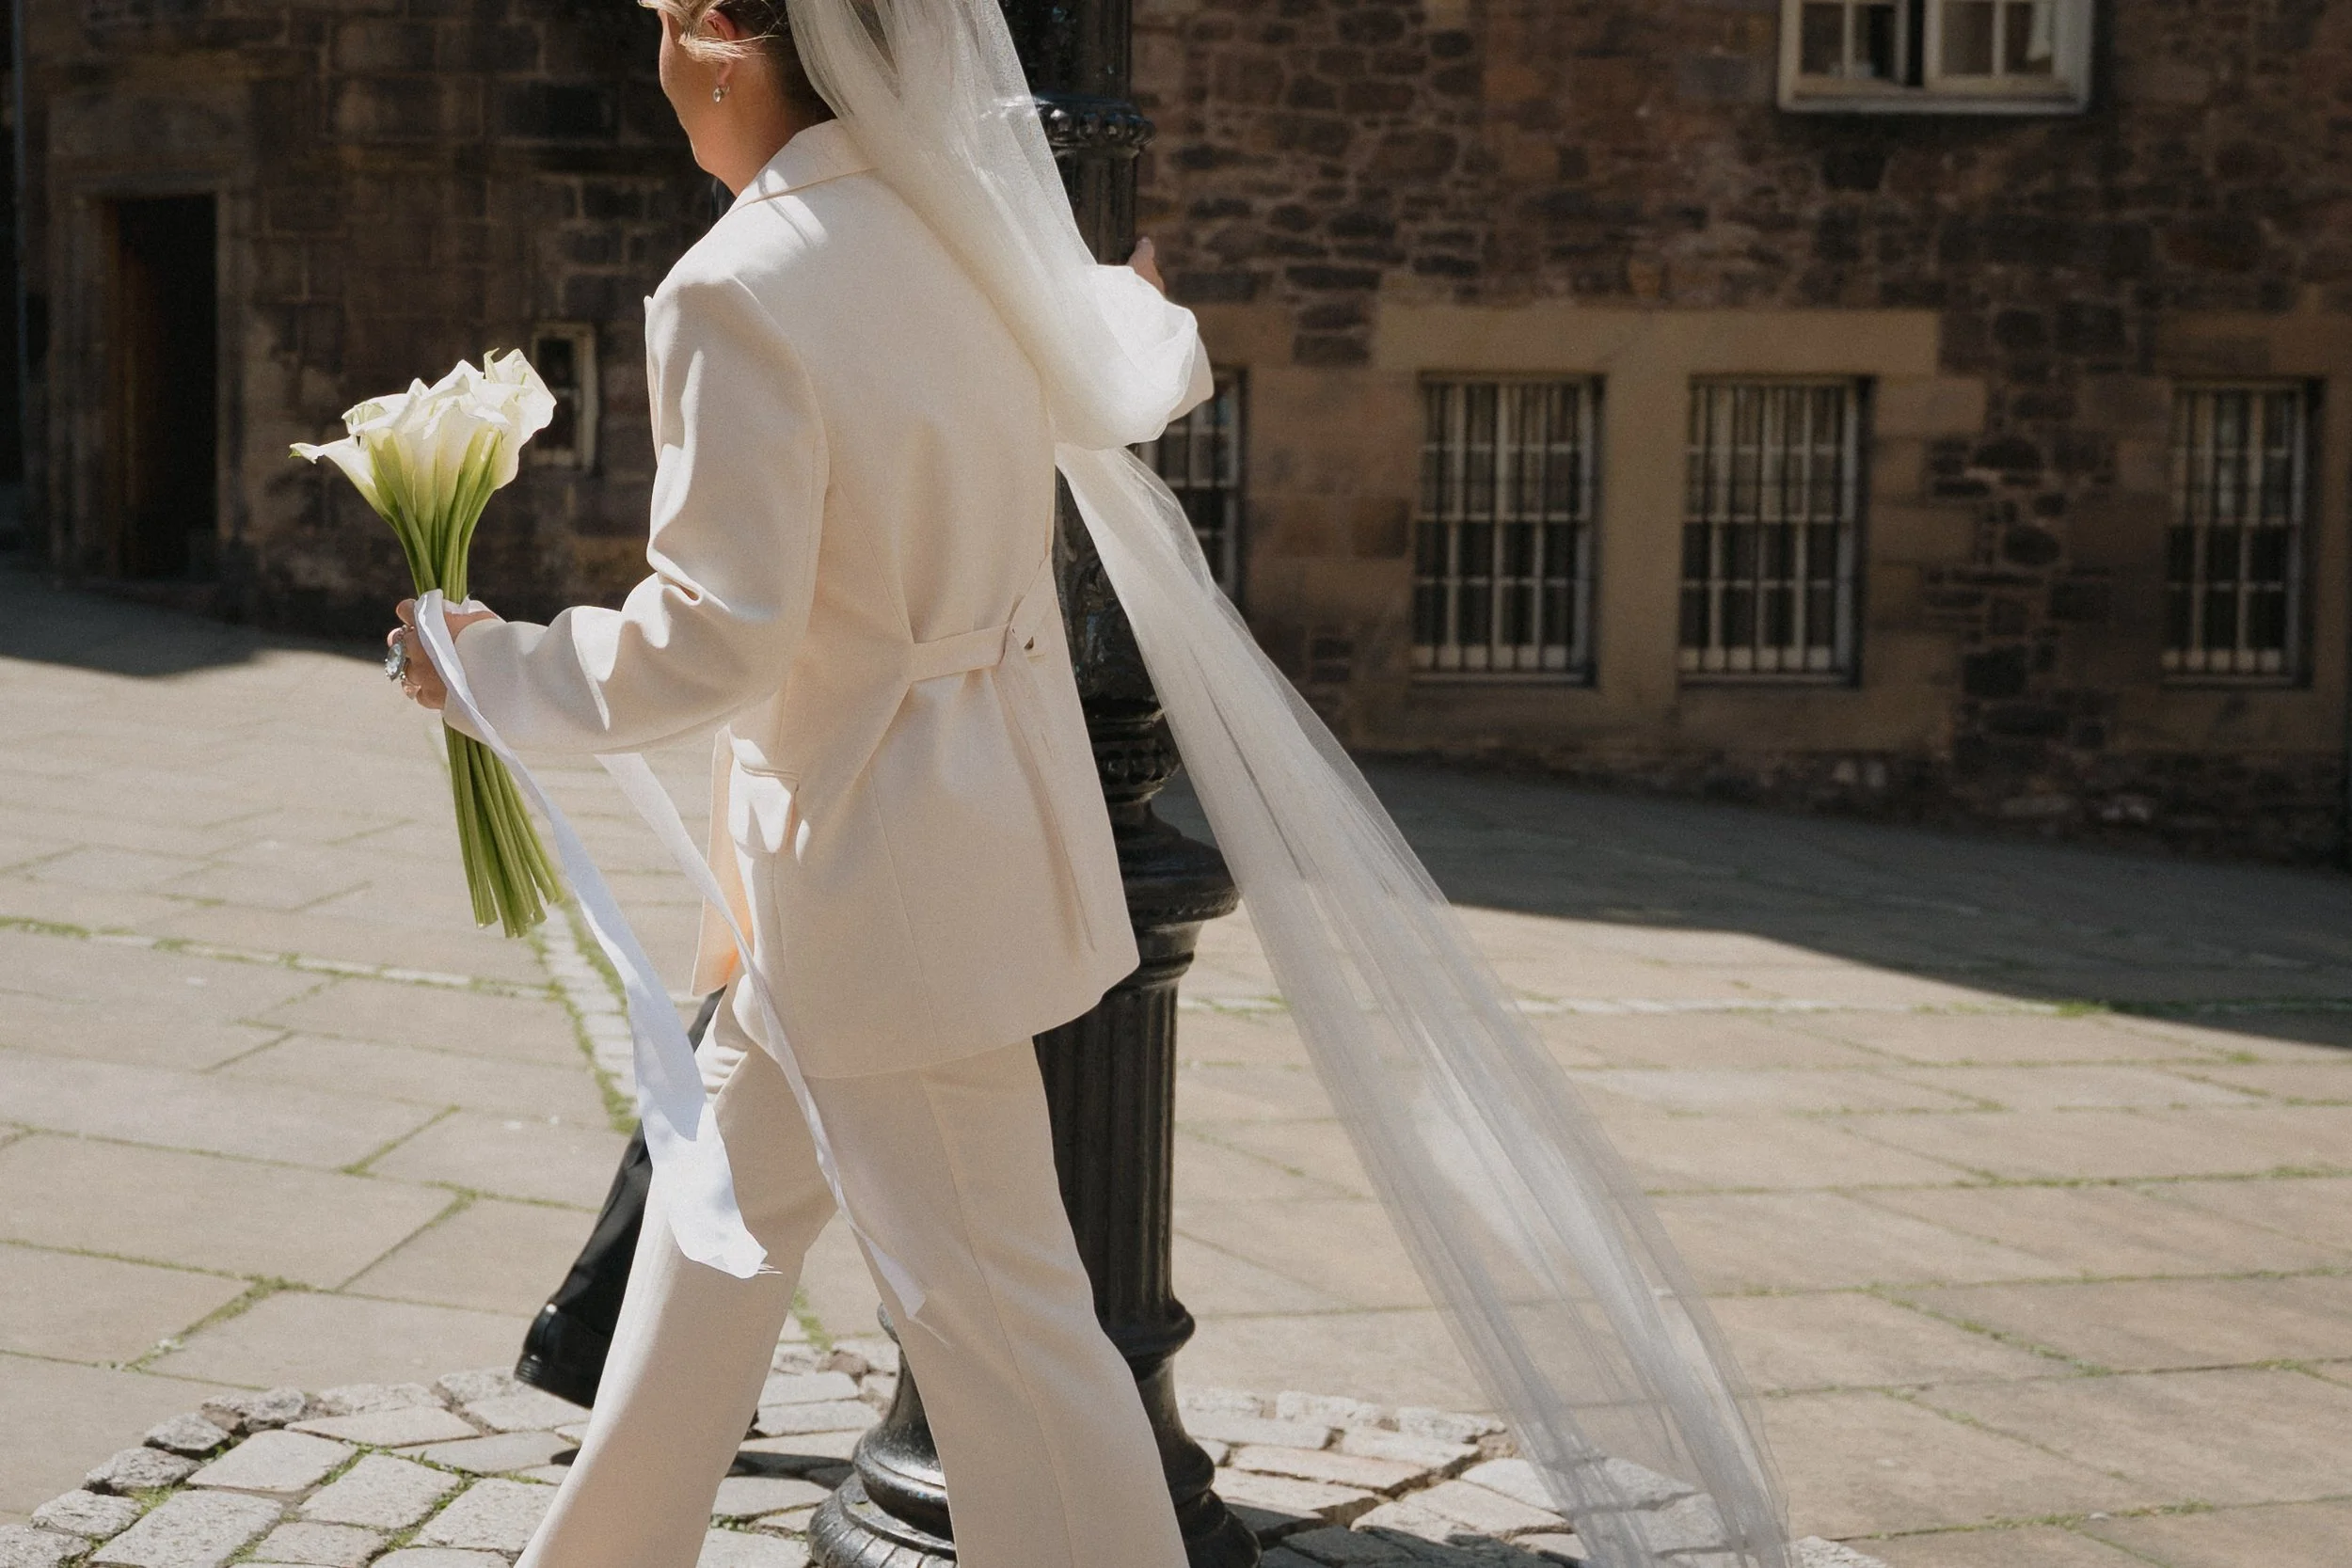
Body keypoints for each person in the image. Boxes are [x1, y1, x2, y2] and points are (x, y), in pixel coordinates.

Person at [388, 3, 1202, 1566]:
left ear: (721, 40)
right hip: (916, 847)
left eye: (659, 25)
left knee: (1005, 1321)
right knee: (715, 1239)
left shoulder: (738, 284)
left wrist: (482, 666)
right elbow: (1135, 342)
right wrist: (1141, 306)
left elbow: (715, 642)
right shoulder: (961, 231)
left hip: (874, 875)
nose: (654, 66)